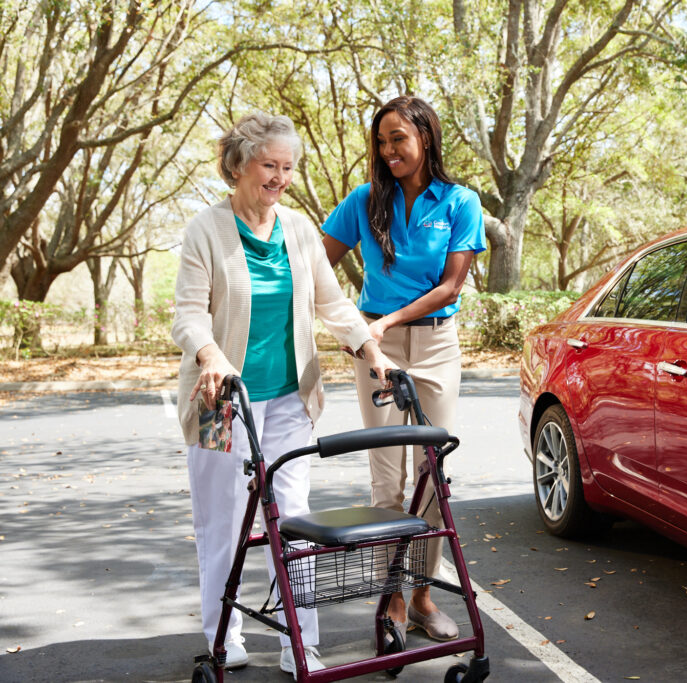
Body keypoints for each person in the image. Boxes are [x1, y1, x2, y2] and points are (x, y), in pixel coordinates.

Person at [172, 112, 392, 676]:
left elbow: (333, 302)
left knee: (291, 518)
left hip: (294, 398)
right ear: (240, 165)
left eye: (288, 167)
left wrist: (370, 349)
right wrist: (210, 355)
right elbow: (188, 315)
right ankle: (224, 635)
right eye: (270, 165)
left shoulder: (297, 229)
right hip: (224, 402)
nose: (279, 177)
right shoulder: (206, 230)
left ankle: (302, 642)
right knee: (222, 521)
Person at [321, 96, 486, 644]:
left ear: (426, 138)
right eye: (382, 141)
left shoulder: (460, 201)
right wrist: (352, 325)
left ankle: (421, 595)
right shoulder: (365, 201)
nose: (389, 150)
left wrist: (386, 320)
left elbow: (451, 286)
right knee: (387, 478)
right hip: (375, 349)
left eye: (400, 139)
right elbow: (315, 264)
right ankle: (390, 598)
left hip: (435, 346)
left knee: (431, 476)